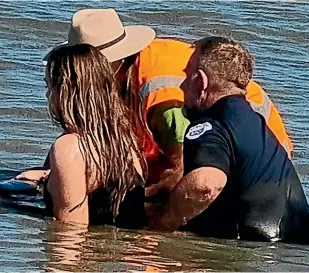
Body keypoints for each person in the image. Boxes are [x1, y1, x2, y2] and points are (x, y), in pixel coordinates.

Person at [39, 9, 293, 199]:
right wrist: (51, 172)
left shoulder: (161, 94)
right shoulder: (128, 70)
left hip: (258, 167)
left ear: (104, 65)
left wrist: (139, 206)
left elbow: (180, 170)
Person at [148, 36, 309, 245]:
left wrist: (159, 226)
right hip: (308, 243)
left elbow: (205, 185)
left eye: (187, 76)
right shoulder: (259, 126)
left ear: (200, 82)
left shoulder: (211, 126)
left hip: (260, 249)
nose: (182, 85)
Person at [21, 44, 148, 227]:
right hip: (128, 252)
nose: (48, 94)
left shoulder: (70, 147)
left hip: (93, 253)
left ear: (64, 91)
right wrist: (49, 178)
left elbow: (71, 232)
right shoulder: (125, 140)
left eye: (49, 86)